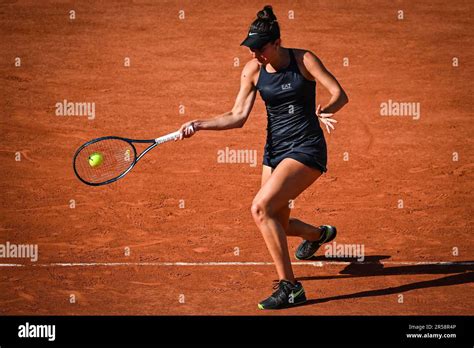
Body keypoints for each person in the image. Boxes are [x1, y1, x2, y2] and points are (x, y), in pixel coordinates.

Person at [177, 5, 348, 310]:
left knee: (260, 208)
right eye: (251, 49)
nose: (256, 54)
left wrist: (327, 109)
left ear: (277, 42)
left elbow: (339, 93)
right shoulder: (253, 70)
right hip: (274, 152)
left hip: (307, 148)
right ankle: (319, 234)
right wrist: (199, 123)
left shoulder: (303, 60)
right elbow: (238, 115)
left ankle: (291, 288)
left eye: (260, 48)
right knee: (277, 225)